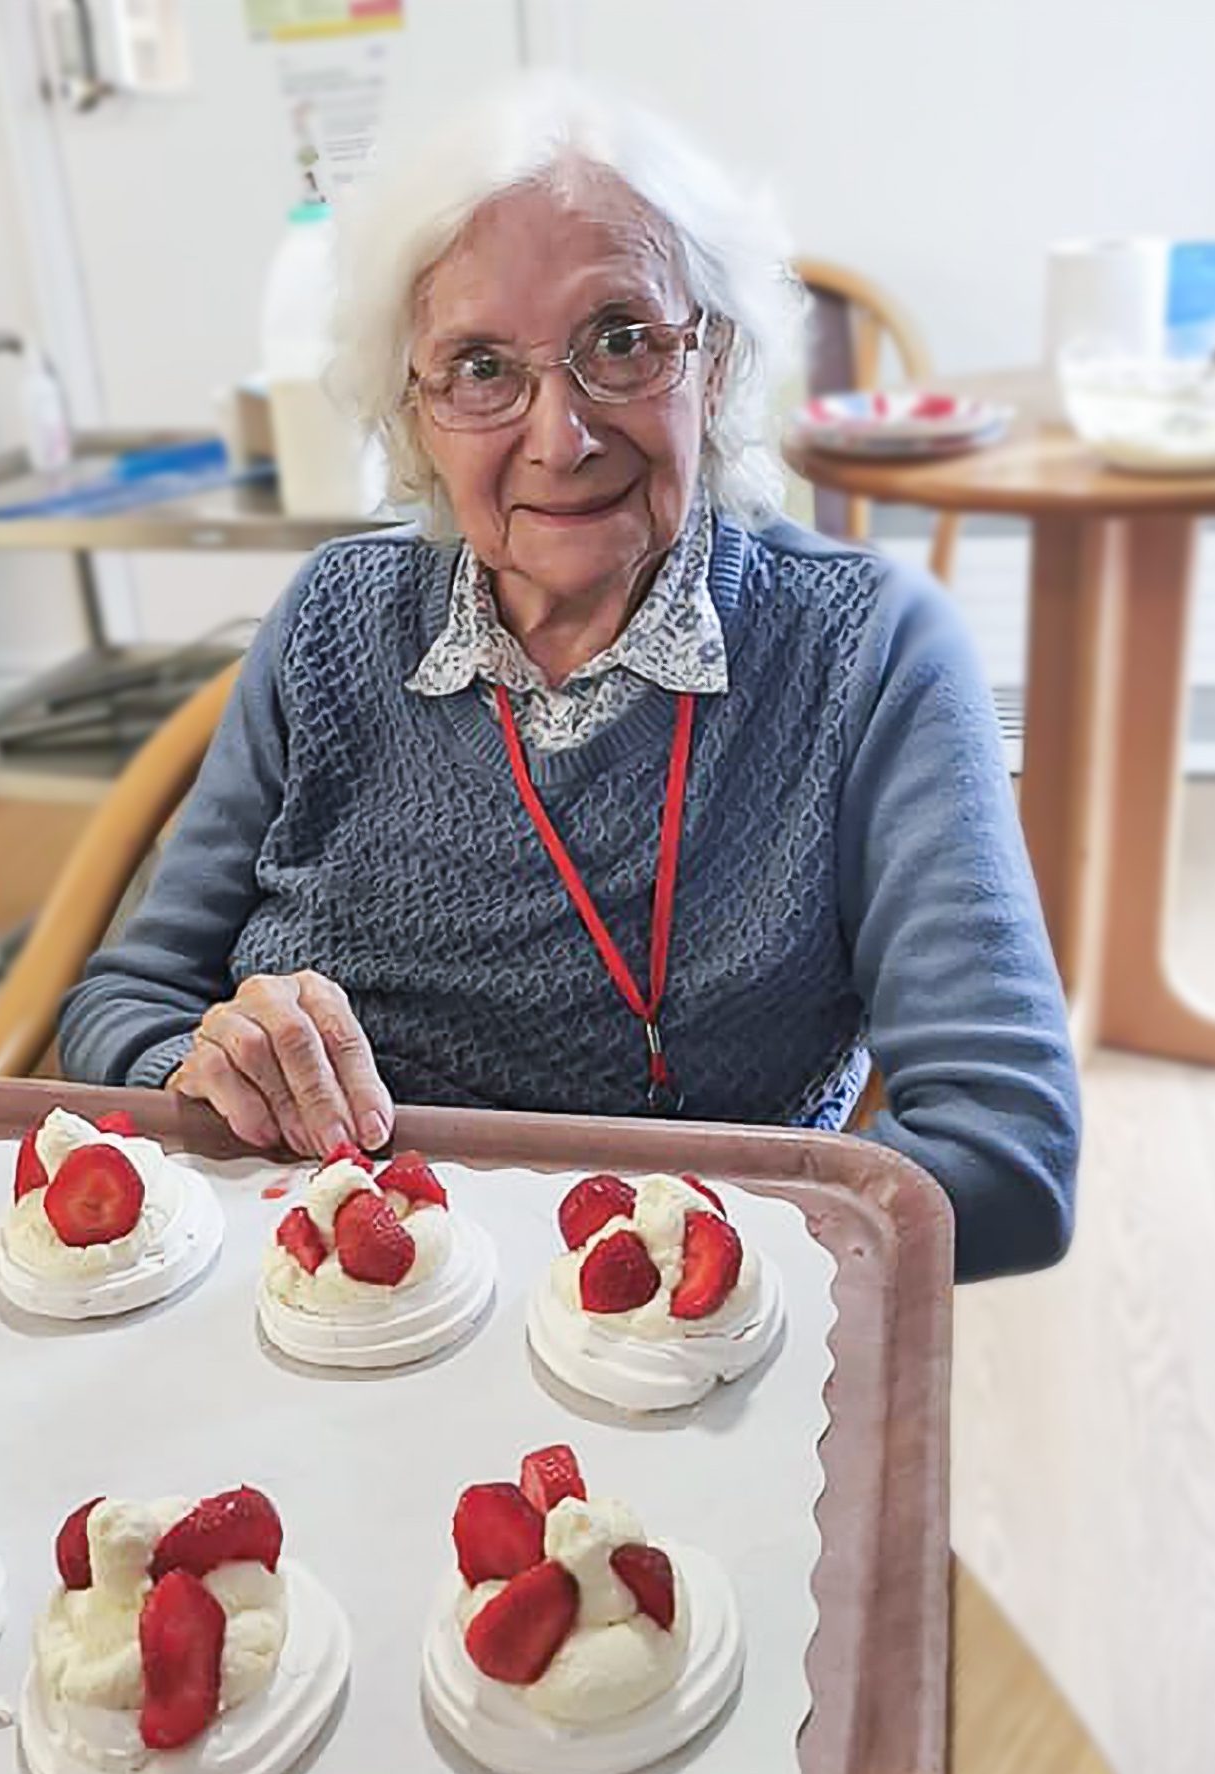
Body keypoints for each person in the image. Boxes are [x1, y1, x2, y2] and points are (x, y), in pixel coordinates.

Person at [58, 73, 1079, 1283]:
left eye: (622, 341)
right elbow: (125, 997)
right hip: (317, 1287)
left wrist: (629, 1270)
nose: (561, 435)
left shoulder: (868, 652)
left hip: (681, 1340)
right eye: (481, 366)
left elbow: (1007, 1153)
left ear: (716, 360)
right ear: (415, 412)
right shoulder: (333, 619)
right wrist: (198, 1066)